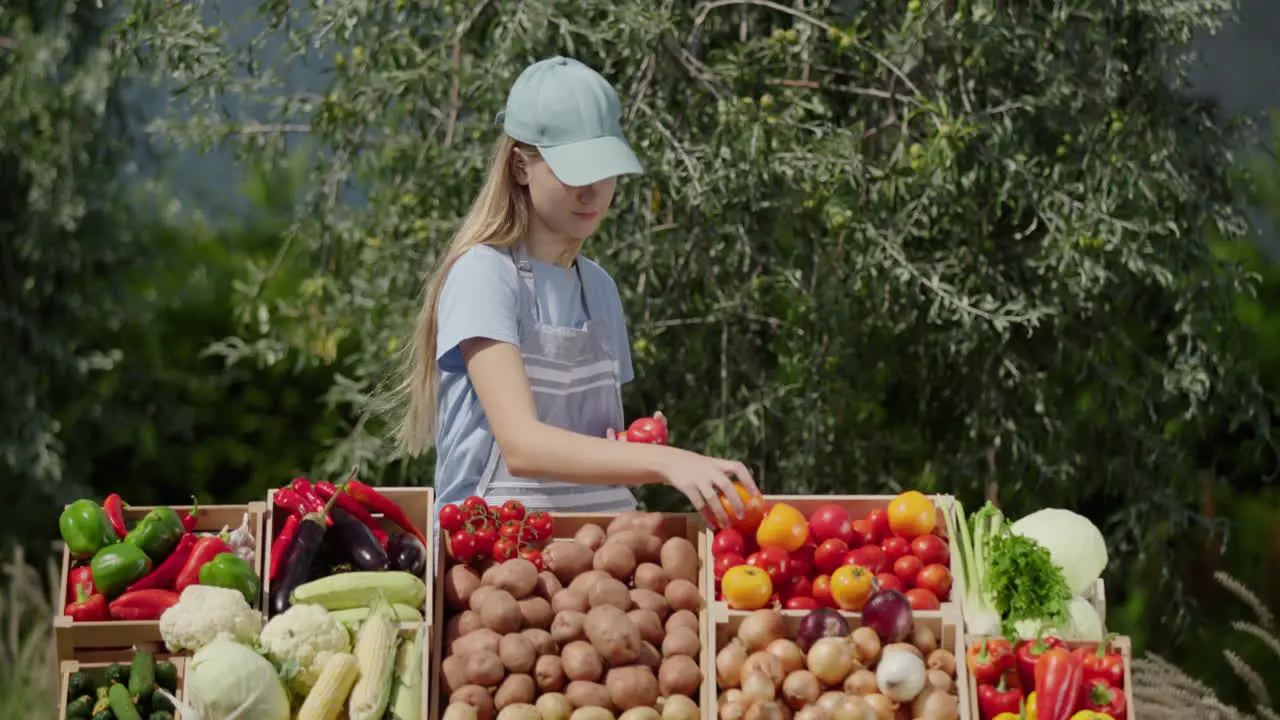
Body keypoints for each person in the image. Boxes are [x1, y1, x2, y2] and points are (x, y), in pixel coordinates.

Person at [393, 56, 757, 526]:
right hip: (491, 555)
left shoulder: (600, 289)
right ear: (520, 166)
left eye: (603, 169)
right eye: (572, 170)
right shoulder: (484, 275)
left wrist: (635, 445)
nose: (593, 191)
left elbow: (587, 448)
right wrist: (666, 461)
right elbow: (521, 445)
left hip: (594, 554)